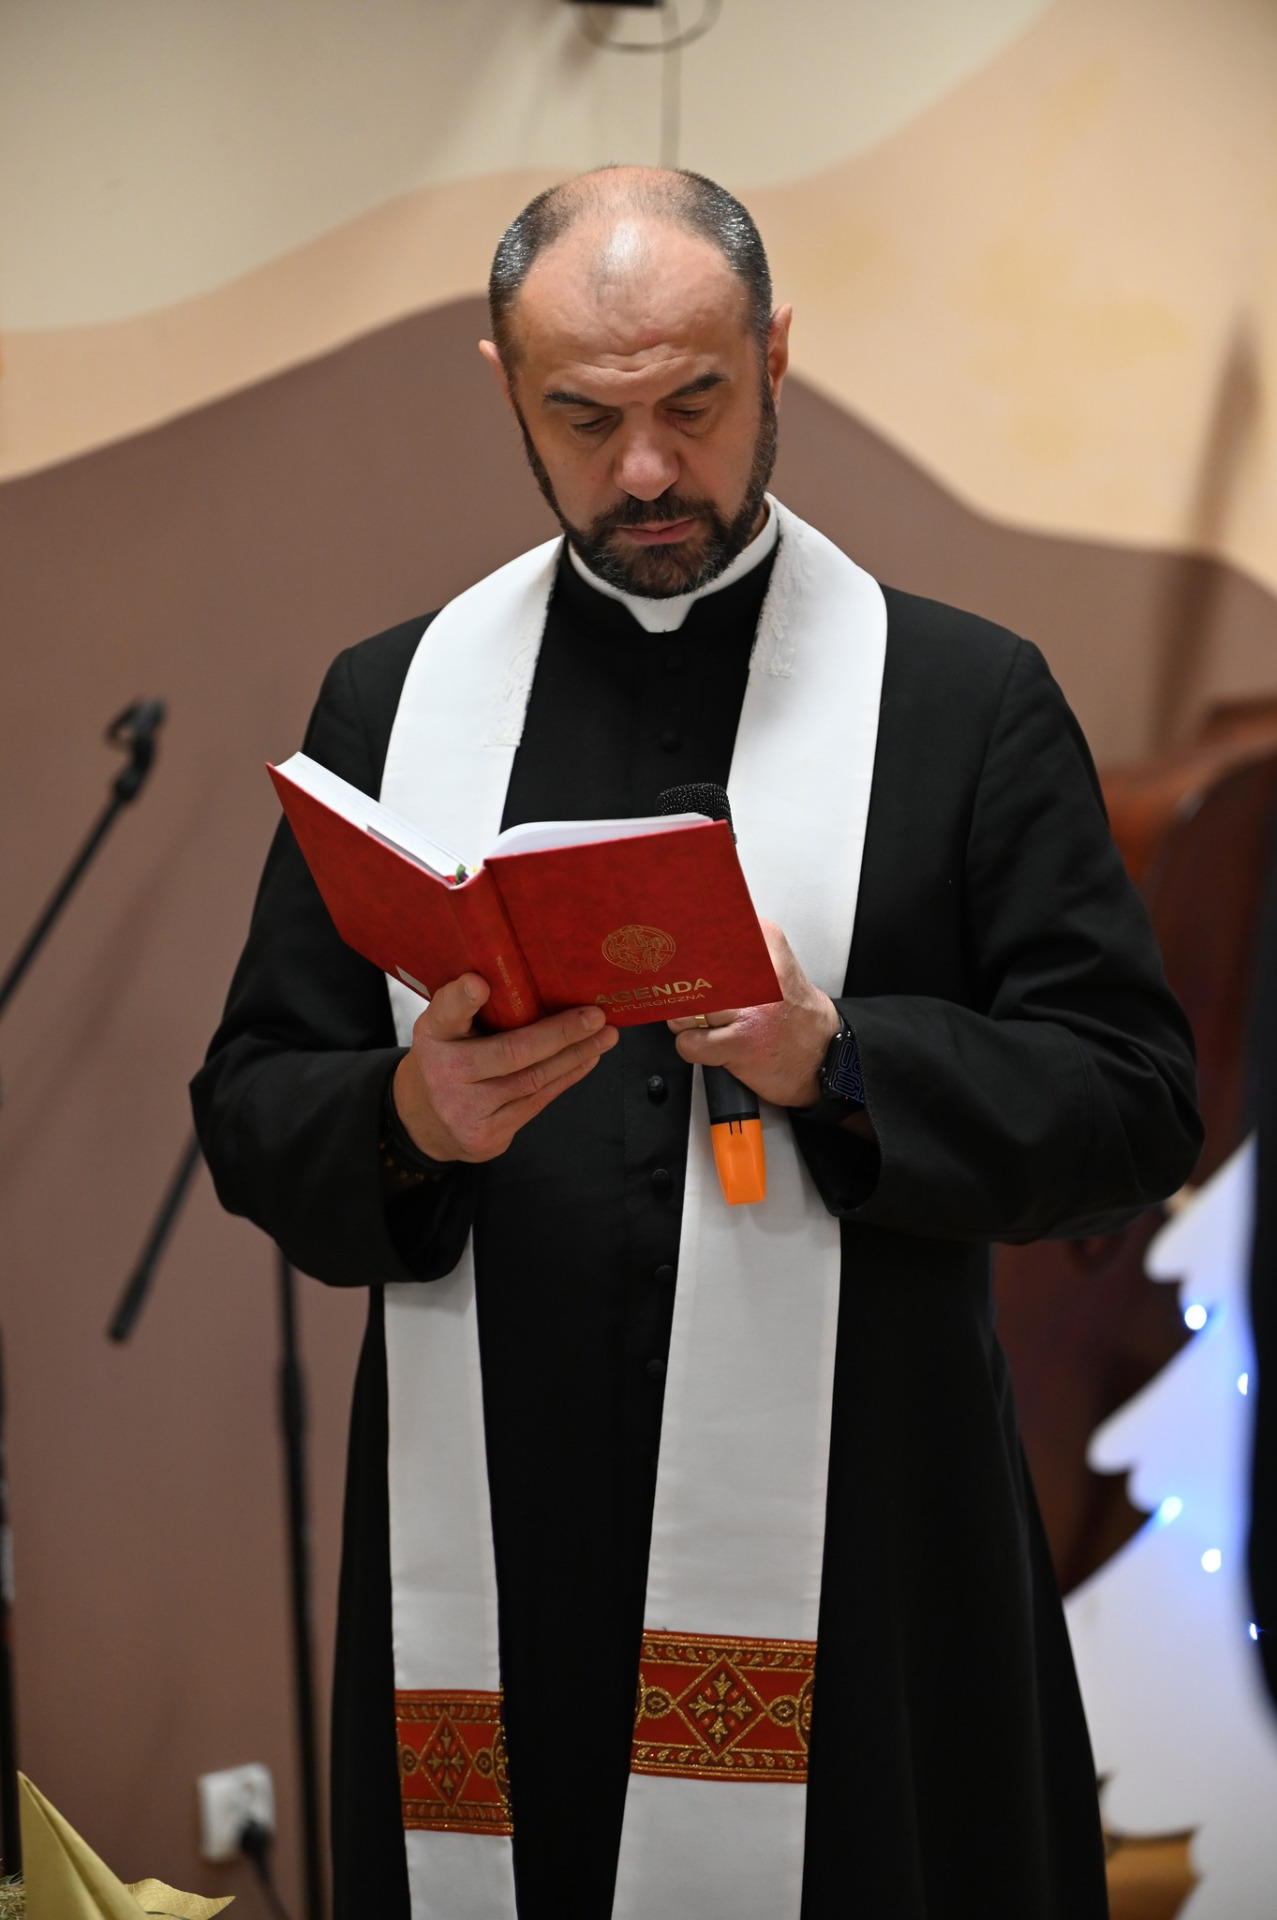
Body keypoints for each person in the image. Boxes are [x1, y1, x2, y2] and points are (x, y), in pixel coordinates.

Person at [192, 166, 1202, 1920]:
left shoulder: (961, 701)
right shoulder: (393, 703)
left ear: (775, 354)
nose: (647, 471)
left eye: (693, 404)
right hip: (498, 1541)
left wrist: (842, 1061)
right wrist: (412, 1115)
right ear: (504, 383)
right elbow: (256, 1102)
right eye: (583, 420)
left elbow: (1131, 1104)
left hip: (861, 1539)